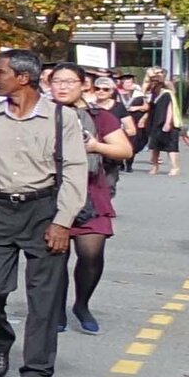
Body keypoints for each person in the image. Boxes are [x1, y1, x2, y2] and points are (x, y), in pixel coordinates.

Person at [0, 50, 84, 377]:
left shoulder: (62, 117)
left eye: (0, 72)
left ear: (23, 78)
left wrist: (63, 221)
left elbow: (74, 171)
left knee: (44, 299)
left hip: (43, 210)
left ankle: (36, 372)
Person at [53, 62, 135, 334]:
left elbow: (124, 150)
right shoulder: (42, 114)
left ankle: (82, 304)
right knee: (55, 256)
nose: (62, 87)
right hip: (52, 193)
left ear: (83, 85)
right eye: (57, 81)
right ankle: (56, 309)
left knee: (91, 254)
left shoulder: (100, 116)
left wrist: (95, 146)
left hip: (91, 193)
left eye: (69, 82)